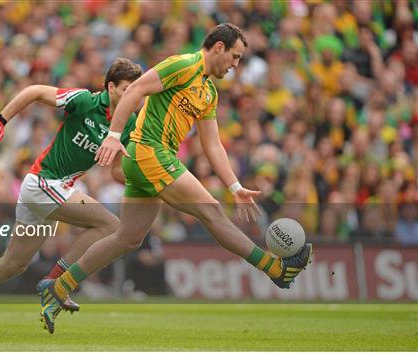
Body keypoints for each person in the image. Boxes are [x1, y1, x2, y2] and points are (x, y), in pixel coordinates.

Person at [38, 23, 313, 332]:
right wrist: (114, 135)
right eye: (234, 57)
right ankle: (275, 268)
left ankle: (59, 287)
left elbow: (212, 144)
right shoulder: (182, 64)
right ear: (218, 47)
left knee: (127, 238)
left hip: (149, 159)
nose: (236, 65)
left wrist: (234, 185)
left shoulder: (208, 92)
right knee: (210, 211)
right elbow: (137, 90)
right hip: (148, 152)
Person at [0, 58, 143, 333]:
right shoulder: (85, 100)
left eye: (137, 91)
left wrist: (145, 180)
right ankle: (57, 281)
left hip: (54, 189)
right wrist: (0, 120)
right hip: (43, 183)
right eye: (127, 89)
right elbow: (35, 91)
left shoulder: (128, 124)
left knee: (13, 263)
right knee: (110, 225)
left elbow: (116, 173)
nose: (133, 96)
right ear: (111, 87)